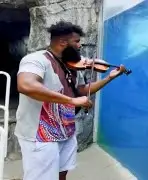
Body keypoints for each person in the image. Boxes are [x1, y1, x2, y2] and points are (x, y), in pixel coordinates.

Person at [15, 20, 126, 180]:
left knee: (62, 173)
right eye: (77, 41)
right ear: (62, 42)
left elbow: (81, 90)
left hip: (66, 130)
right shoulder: (36, 59)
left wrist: (109, 77)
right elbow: (26, 85)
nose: (80, 46)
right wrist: (72, 101)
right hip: (40, 135)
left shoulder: (71, 65)